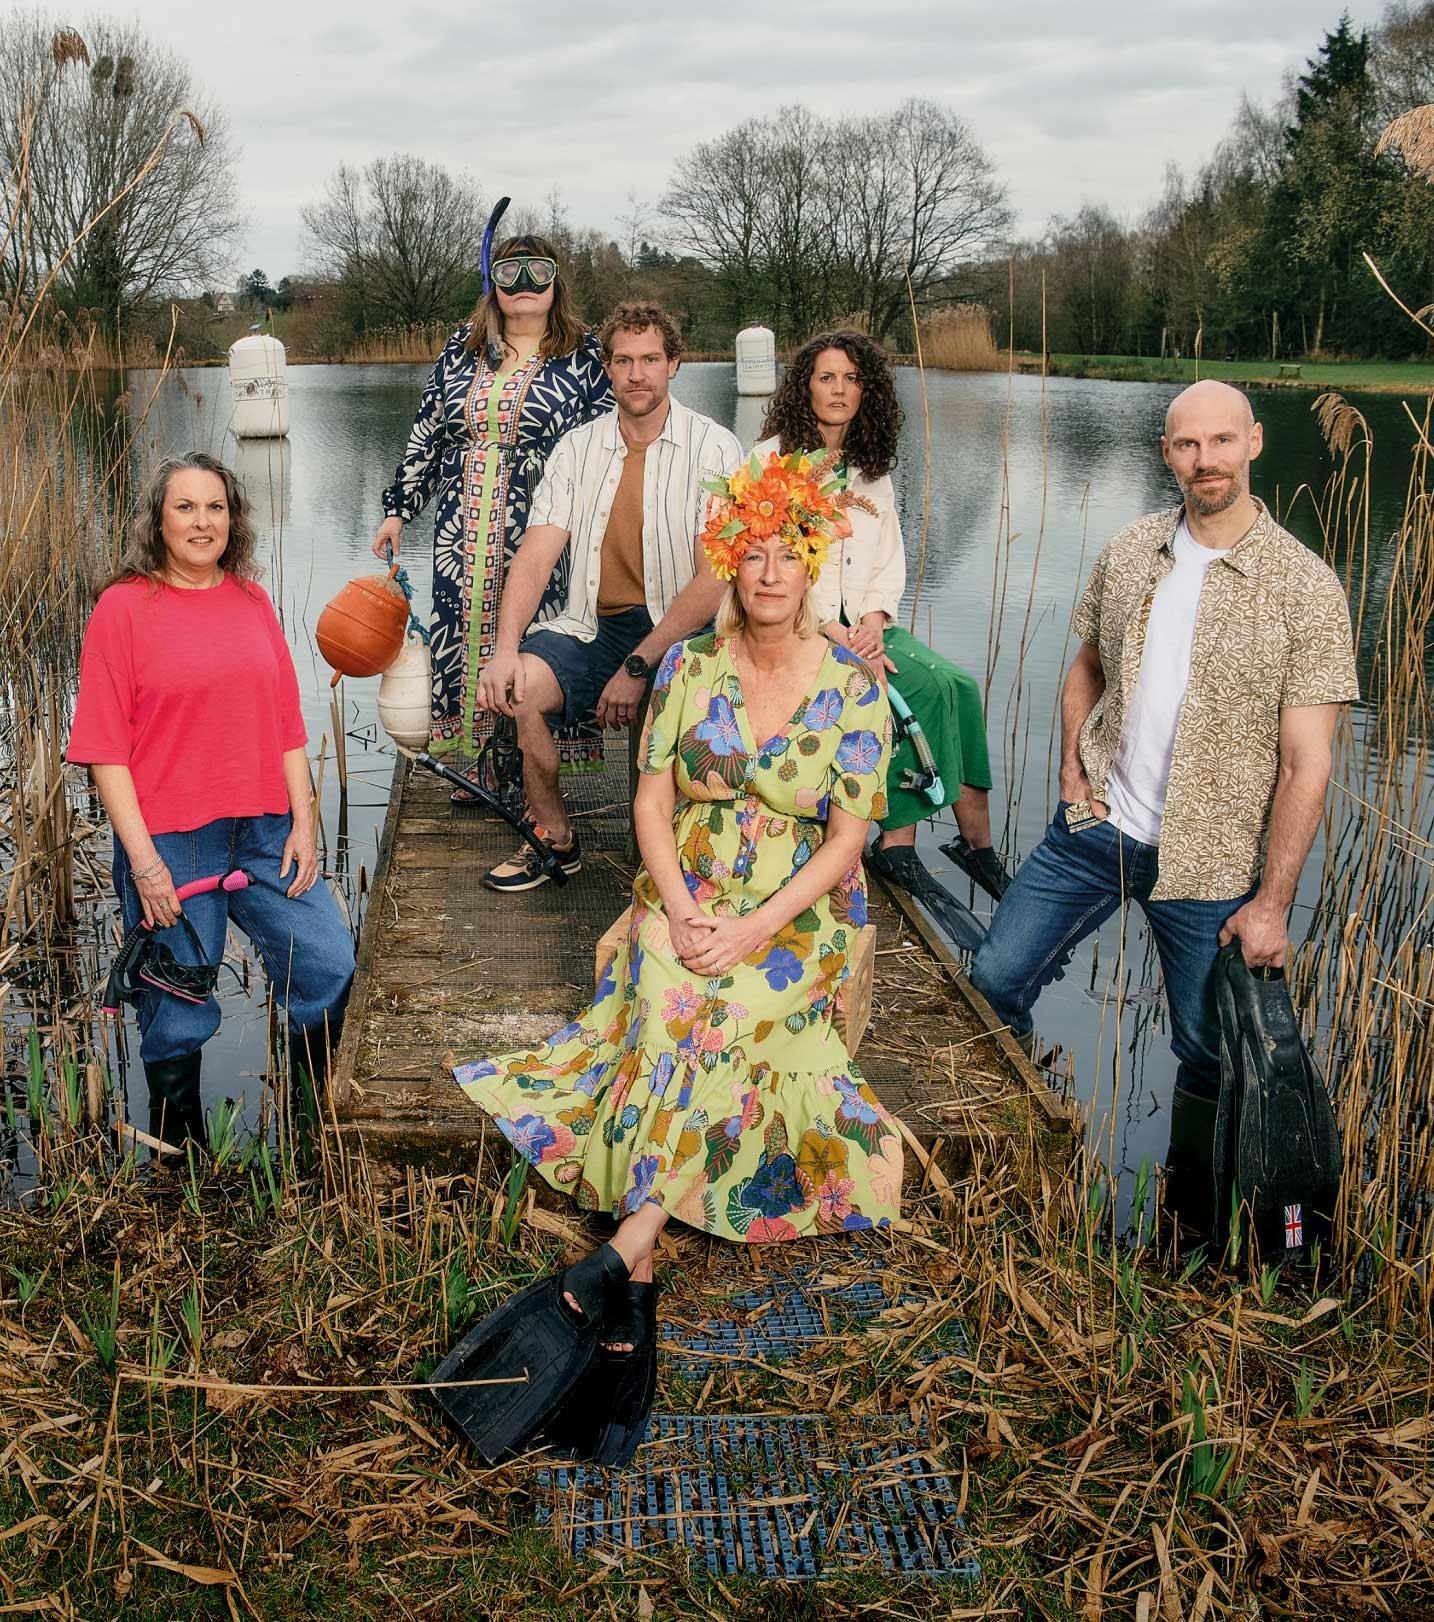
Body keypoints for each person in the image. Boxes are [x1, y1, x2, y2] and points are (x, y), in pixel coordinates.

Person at [435, 452, 903, 1466]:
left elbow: (845, 845)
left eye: (791, 556)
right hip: (682, 888)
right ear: (731, 563)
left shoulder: (854, 688)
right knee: (668, 998)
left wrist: (748, 928)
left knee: (725, 1008)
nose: (771, 572)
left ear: (813, 564)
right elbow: (652, 802)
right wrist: (686, 907)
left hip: (794, 910)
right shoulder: (688, 669)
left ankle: (621, 1255)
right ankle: (630, 1278)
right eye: (755, 555)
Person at [969, 381, 1359, 1226]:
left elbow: (1308, 762)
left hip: (1209, 861)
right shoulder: (1134, 548)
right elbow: (1084, 670)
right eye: (1188, 444)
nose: (1206, 460)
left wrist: (1272, 904)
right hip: (1099, 830)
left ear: (1253, 443)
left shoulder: (1306, 588)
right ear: (1166, 453)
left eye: (1222, 441)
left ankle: (1187, 1220)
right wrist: (1073, 772)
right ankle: (1017, 1142)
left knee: (1208, 1052)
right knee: (995, 977)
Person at [69, 454, 355, 1154]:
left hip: (263, 830)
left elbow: (287, 722)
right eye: (186, 508)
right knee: (178, 1006)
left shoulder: (252, 600)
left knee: (326, 964)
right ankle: (180, 1160)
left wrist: (306, 822)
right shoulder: (123, 609)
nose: (203, 522)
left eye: (216, 507)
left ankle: (311, 1130)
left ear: (234, 518)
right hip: (172, 840)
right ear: (157, 521)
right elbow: (105, 750)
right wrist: (144, 864)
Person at [473, 301, 742, 892]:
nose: (637, 374)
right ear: (608, 369)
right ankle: (554, 837)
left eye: (651, 359)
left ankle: (669, 853)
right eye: (623, 361)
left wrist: (640, 664)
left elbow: (716, 577)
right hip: (594, 624)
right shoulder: (578, 447)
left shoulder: (716, 449)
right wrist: (504, 646)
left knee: (654, 755)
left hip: (682, 634)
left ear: (675, 364)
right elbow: (537, 554)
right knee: (519, 685)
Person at [755, 329, 1010, 935]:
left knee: (960, 685)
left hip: (863, 624)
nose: (839, 390)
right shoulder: (771, 462)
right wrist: (831, 632)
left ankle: (977, 846)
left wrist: (870, 624)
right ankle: (896, 841)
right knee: (911, 687)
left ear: (866, 390)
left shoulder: (870, 469)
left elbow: (886, 560)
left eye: (851, 379)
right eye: (825, 377)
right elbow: (762, 565)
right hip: (797, 627)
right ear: (804, 387)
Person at [373, 233, 613, 774]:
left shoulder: (585, 354)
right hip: (463, 523)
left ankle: (530, 765)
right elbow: (427, 433)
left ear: (556, 282)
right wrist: (398, 509)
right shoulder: (462, 348)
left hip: (547, 522)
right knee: (461, 633)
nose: (524, 286)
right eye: (510, 274)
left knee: (536, 636)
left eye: (537, 272)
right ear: (492, 284)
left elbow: (610, 442)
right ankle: (475, 761)